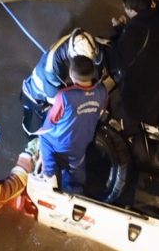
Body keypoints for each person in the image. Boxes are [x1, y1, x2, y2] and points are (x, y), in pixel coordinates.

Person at [106, 0, 159, 136]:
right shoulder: (157, 18)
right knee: (151, 118)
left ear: (131, 9)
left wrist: (116, 39)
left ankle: (130, 137)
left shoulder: (133, 29)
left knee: (130, 121)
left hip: (141, 92)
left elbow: (120, 61)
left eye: (126, 8)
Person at [38, 55, 108, 194]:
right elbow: (100, 113)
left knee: (44, 137)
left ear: (71, 73)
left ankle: (50, 172)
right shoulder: (102, 92)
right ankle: (74, 190)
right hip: (81, 144)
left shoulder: (64, 96)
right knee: (76, 171)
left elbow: (50, 123)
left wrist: (37, 130)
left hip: (59, 142)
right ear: (93, 72)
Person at [20, 29, 101, 135]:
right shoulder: (51, 71)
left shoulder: (76, 41)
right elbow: (57, 102)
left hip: (56, 83)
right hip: (35, 95)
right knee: (33, 128)